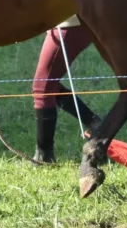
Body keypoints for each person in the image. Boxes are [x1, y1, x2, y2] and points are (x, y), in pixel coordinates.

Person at [32, 15, 102, 163]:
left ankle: (44, 158)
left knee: (43, 87)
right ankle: (96, 125)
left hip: (70, 22)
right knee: (49, 85)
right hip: (64, 19)